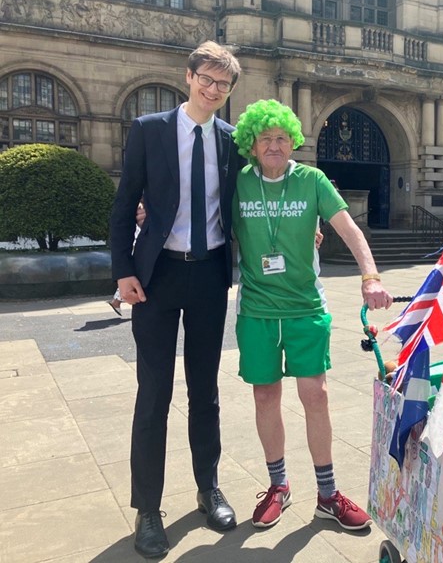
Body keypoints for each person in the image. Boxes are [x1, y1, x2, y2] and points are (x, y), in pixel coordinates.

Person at [230, 99, 393, 533]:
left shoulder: (312, 180)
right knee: (265, 396)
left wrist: (370, 277)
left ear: (293, 142)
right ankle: (278, 486)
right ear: (251, 144)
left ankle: (327, 494)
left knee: (315, 395)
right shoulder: (239, 183)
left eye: (282, 138)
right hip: (257, 310)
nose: (275, 146)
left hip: (305, 309)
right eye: (265, 139)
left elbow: (349, 228)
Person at [109, 41, 243, 558]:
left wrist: (303, 234)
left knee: (205, 390)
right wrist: (123, 272)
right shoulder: (150, 130)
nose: (213, 90)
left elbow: (252, 201)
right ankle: (148, 508)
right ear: (188, 77)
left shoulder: (233, 140)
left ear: (230, 91)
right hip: (157, 277)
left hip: (209, 275)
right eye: (206, 79)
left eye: (223, 84)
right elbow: (124, 206)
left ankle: (208, 488)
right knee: (154, 393)